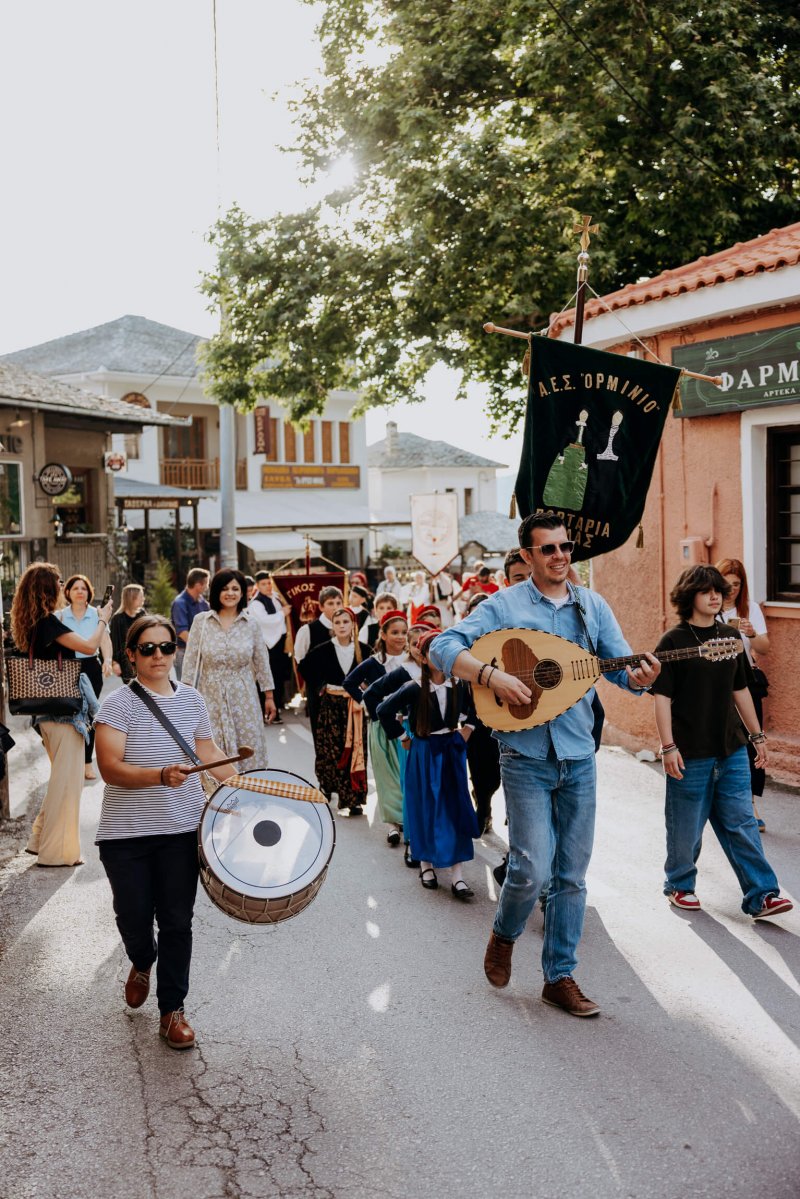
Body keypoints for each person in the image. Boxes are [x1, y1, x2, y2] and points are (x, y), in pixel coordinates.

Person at [429, 513, 660, 1017]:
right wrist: (491, 675)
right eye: (548, 549)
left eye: (564, 547)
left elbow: (618, 671)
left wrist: (642, 678)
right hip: (525, 756)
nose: (560, 556)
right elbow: (440, 646)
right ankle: (504, 934)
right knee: (530, 868)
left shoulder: (591, 606)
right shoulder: (504, 605)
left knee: (572, 876)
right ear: (528, 557)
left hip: (578, 754)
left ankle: (559, 976)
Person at [95, 614, 236, 1050]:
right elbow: (109, 768)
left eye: (166, 646)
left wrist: (247, 788)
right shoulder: (117, 705)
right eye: (148, 648)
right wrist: (159, 775)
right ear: (131, 655)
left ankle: (172, 1011)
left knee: (177, 921)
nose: (159, 655)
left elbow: (208, 752)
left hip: (181, 829)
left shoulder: (192, 700)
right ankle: (141, 959)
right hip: (126, 835)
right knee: (134, 917)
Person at [651, 565, 791, 921]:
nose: (715, 596)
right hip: (689, 751)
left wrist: (757, 735)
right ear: (689, 596)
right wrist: (668, 747)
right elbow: (662, 697)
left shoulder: (729, 636)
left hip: (730, 748)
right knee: (686, 826)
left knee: (741, 822)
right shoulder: (673, 641)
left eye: (719, 591)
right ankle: (680, 884)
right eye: (706, 591)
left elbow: (740, 688)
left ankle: (762, 894)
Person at [10, 563, 113, 866]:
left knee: (62, 779)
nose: (61, 585)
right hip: (64, 714)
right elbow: (89, 646)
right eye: (57, 581)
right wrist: (103, 619)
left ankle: (39, 838)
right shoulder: (49, 624)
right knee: (67, 784)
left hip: (46, 714)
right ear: (46, 588)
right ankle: (56, 852)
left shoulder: (34, 623)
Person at [377, 630, 479, 899]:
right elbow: (383, 710)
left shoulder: (459, 685)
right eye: (434, 653)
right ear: (423, 658)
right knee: (425, 806)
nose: (440, 658)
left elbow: (476, 710)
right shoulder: (414, 687)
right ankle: (426, 866)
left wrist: (466, 729)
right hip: (423, 752)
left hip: (450, 751)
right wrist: (403, 737)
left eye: (445, 652)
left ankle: (458, 876)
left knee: (455, 807)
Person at [183, 568, 276, 769]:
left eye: (235, 588)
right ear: (216, 591)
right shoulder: (202, 621)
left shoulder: (251, 623)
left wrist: (269, 696)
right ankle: (215, 796)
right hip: (210, 696)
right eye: (225, 588)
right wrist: (185, 698)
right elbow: (190, 662)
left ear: (243, 593)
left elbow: (262, 661)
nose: (230, 593)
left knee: (248, 746)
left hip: (244, 696)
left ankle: (248, 793)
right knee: (211, 748)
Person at [343, 609, 410, 842]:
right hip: (380, 726)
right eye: (394, 632)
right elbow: (349, 682)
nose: (400, 637)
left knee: (406, 773)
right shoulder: (374, 663)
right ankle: (392, 823)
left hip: (407, 725)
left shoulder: (412, 660)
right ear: (382, 634)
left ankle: (408, 821)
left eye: (404, 632)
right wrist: (368, 702)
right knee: (385, 776)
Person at [716, 557, 770, 833]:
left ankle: (750, 805)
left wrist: (751, 632)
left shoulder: (748, 608)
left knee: (752, 740)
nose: (732, 589)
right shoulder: (707, 607)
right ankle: (723, 804)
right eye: (727, 583)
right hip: (715, 683)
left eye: (737, 584)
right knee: (721, 743)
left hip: (747, 679)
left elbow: (764, 647)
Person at [302, 608, 368, 814]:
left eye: (345, 621)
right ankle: (328, 786)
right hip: (331, 704)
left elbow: (376, 673)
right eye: (337, 622)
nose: (341, 625)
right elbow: (304, 667)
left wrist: (365, 686)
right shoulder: (323, 649)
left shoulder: (364, 651)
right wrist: (321, 686)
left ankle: (353, 799)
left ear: (353, 624)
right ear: (333, 626)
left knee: (355, 749)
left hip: (354, 707)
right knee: (331, 749)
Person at [58, 574, 114, 779]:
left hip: (91, 667)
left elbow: (105, 640)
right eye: (75, 588)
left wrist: (107, 660)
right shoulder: (60, 616)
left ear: (89, 592)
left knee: (90, 715)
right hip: (67, 668)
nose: (80, 591)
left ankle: (87, 763)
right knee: (69, 714)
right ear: (68, 593)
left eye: (83, 588)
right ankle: (68, 761)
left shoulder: (97, 614)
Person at [293, 586, 344, 733]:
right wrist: (318, 685)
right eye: (330, 603)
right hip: (319, 691)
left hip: (343, 692)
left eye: (338, 603)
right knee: (322, 735)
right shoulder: (308, 631)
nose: (335, 607)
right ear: (321, 606)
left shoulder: (347, 628)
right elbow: (300, 660)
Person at [248, 570, 291, 721]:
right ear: (258, 586)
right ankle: (265, 711)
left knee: (278, 677)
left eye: (269, 583)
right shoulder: (256, 603)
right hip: (266, 644)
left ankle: (277, 709)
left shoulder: (276, 598)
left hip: (279, 643)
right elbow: (264, 621)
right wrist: (282, 614)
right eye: (264, 584)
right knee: (266, 678)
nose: (268, 586)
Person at [171, 568, 210, 681]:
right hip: (185, 652)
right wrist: (201, 648)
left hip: (201, 652)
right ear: (198, 585)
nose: (207, 587)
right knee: (186, 692)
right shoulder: (180, 603)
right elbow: (182, 632)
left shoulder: (203, 602)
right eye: (206, 584)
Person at [109, 584, 146, 682]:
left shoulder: (142, 614)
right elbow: (113, 642)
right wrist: (114, 663)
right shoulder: (117, 619)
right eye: (141, 596)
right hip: (126, 663)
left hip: (143, 658)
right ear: (132, 598)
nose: (143, 599)